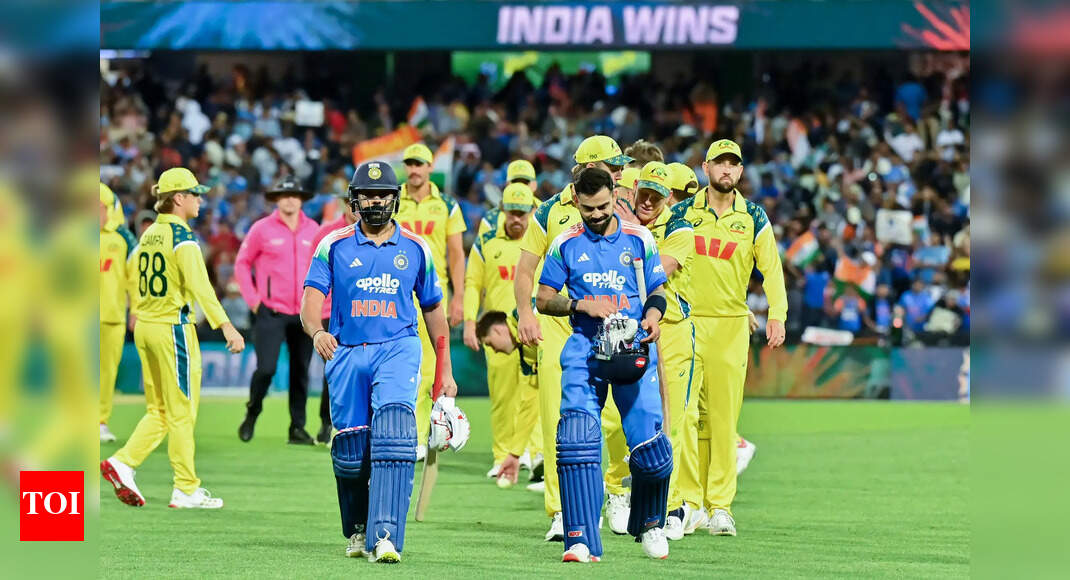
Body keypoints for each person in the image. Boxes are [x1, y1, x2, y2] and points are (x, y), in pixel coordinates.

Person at [300, 160, 458, 563]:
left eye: (383, 195)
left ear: (395, 199)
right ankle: (357, 528)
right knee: (351, 453)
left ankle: (385, 535)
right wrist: (317, 332)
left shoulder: (416, 248)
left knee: (394, 438)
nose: (375, 202)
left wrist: (445, 370)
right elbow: (310, 302)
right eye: (367, 195)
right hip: (347, 353)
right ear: (354, 201)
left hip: (399, 348)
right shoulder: (332, 245)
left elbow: (434, 312)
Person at [536, 167, 672, 562]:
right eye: (588, 208)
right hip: (585, 349)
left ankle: (650, 524)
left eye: (602, 206)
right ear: (576, 201)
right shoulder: (565, 243)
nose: (596, 214)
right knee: (576, 440)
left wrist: (653, 318)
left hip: (633, 346)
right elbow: (543, 299)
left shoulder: (639, 238)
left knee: (651, 448)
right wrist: (581, 304)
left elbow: (658, 292)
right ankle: (580, 539)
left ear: (615, 195)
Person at [514, 135, 636, 541]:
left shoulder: (622, 206)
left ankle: (616, 490)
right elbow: (526, 269)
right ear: (588, 168)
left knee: (618, 417)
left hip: (613, 326)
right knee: (558, 418)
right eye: (613, 166)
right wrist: (526, 314)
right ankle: (562, 510)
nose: (620, 173)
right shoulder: (549, 211)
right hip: (559, 325)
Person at [101, 167, 245, 509]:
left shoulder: (148, 235)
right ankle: (185, 487)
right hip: (173, 329)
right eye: (195, 194)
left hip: (146, 326)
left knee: (160, 410)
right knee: (181, 412)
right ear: (179, 198)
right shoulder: (182, 238)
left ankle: (124, 462)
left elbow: (136, 279)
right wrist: (226, 325)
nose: (200, 200)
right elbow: (201, 287)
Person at [674, 139, 787, 536]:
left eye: (732, 164)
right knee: (684, 417)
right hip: (685, 324)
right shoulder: (681, 213)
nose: (726, 169)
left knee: (723, 421)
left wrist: (777, 314)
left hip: (730, 327)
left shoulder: (754, 217)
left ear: (740, 171)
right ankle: (688, 503)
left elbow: (772, 270)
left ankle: (719, 506)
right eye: (719, 163)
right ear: (705, 168)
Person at [629, 161, 698, 541]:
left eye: (657, 196)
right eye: (644, 193)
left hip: (671, 329)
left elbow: (658, 271)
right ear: (635, 190)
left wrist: (627, 244)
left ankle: (672, 507)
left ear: (668, 197)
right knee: (626, 416)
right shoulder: (624, 225)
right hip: (632, 329)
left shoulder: (680, 228)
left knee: (672, 421)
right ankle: (624, 495)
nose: (649, 201)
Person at [463, 183, 541, 482]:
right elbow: (473, 283)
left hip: (534, 330)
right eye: (512, 213)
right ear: (502, 211)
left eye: (522, 212)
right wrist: (469, 321)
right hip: (500, 334)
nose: (517, 219)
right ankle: (502, 456)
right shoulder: (486, 242)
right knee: (502, 398)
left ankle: (535, 454)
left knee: (537, 394)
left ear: (531, 210)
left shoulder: (541, 239)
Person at [394, 143, 467, 458]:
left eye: (419, 164)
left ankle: (421, 436)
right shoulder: (393, 199)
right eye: (410, 164)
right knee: (403, 363)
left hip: (432, 295)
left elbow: (456, 255)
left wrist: (459, 297)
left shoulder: (447, 205)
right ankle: (410, 433)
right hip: (396, 291)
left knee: (428, 365)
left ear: (429, 167)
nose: (414, 169)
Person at [235, 176, 320, 444]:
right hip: (270, 311)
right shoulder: (261, 229)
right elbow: (241, 263)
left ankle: (297, 427)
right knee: (266, 369)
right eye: (285, 195)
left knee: (301, 371)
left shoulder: (314, 229)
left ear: (302, 199)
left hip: (304, 313)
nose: (290, 200)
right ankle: (252, 412)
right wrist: (254, 300)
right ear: (276, 199)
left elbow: (323, 267)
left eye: (295, 195)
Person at [308, 187, 360, 444]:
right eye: (350, 203)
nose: (354, 208)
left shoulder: (372, 233)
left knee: (351, 369)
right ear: (344, 204)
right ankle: (329, 422)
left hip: (361, 312)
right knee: (335, 368)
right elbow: (313, 274)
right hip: (331, 312)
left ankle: (349, 423)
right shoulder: (326, 233)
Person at [475, 309, 541, 487]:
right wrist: (514, 454)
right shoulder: (526, 357)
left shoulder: (526, 316)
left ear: (497, 330)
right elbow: (530, 403)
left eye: (490, 343)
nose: (495, 351)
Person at [99, 182, 138, 443]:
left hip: (112, 317)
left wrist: (136, 309)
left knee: (106, 373)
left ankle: (99, 421)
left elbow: (135, 278)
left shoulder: (124, 238)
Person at [478, 159, 537, 236]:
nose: (520, 186)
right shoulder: (491, 218)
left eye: (525, 182)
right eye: (515, 182)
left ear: (534, 185)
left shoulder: (545, 213)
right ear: (507, 184)